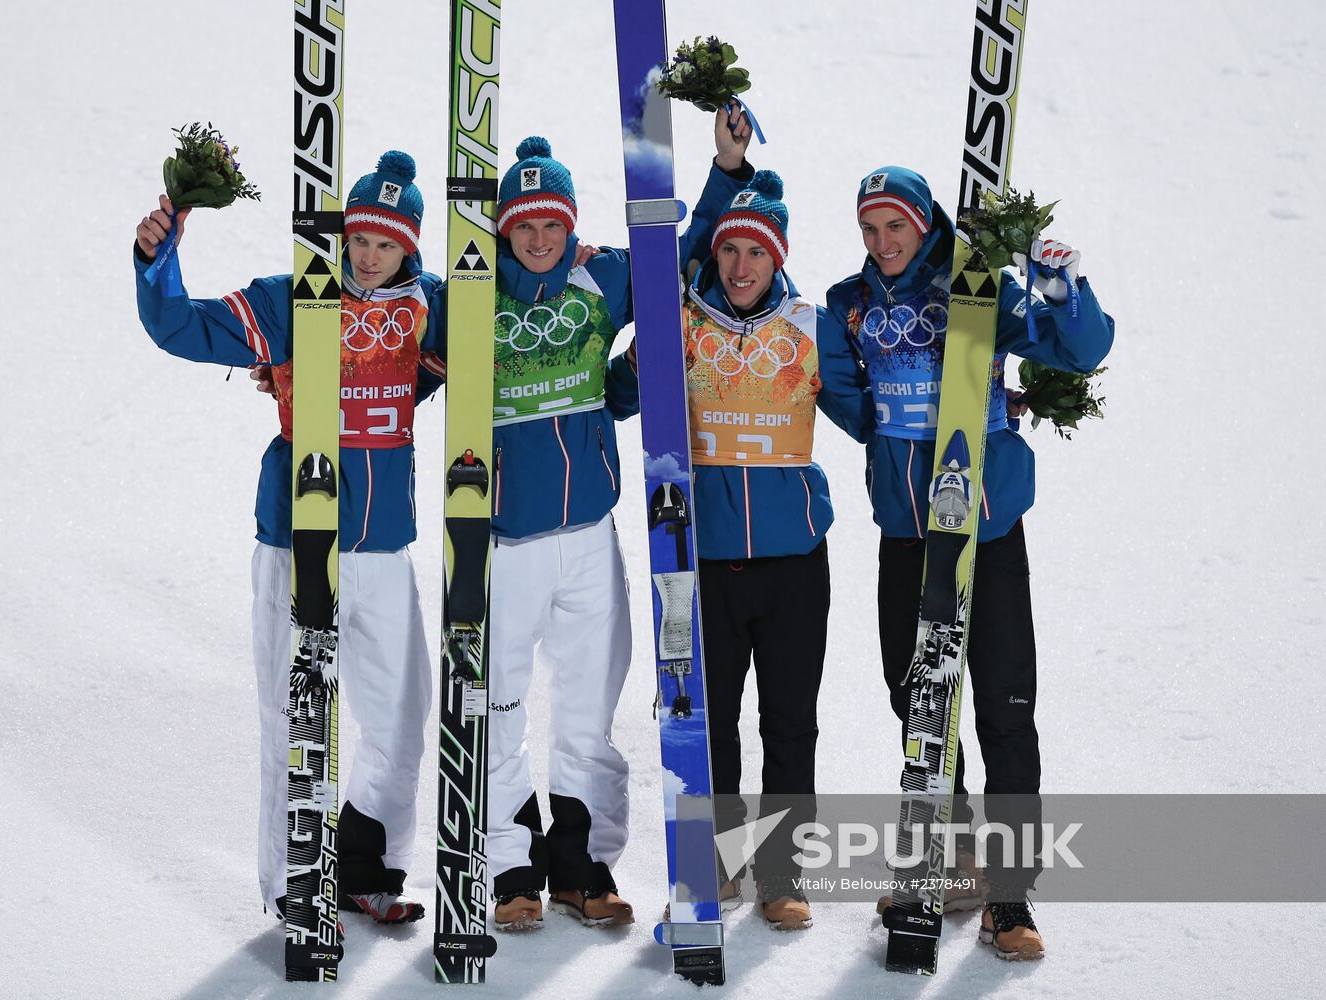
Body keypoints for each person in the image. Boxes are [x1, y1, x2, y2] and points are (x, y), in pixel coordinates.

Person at [426, 113, 752, 933]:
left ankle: (581, 866)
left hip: (587, 540)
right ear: (503, 231)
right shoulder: (467, 295)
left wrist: (725, 171)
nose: (539, 240)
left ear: (570, 226)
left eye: (552, 226)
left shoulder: (599, 277)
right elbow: (388, 333)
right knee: (497, 706)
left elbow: (681, 259)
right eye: (524, 227)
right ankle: (509, 867)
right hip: (501, 544)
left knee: (585, 713)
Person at [134, 151, 444, 926]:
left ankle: (367, 868)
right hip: (296, 540)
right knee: (294, 719)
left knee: (401, 721)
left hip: (384, 547)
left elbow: (501, 331)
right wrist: (157, 257)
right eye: (359, 239)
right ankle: (293, 881)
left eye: (386, 244)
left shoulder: (433, 307)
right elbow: (179, 326)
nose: (368, 256)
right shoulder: (294, 298)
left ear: (409, 248)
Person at [823, 166, 1115, 960]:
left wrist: (1057, 289)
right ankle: (950, 863)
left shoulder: (976, 288)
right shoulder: (847, 305)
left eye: (896, 226)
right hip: (908, 534)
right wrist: (904, 425)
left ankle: (1010, 897)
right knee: (916, 701)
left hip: (986, 535)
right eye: (869, 228)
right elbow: (844, 398)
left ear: (924, 225)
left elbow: (1079, 349)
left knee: (1003, 710)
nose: (882, 241)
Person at [616, 165, 870, 930]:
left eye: (756, 252)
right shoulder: (682, 323)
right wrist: (637, 362)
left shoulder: (809, 326)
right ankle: (714, 867)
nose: (739, 265)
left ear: (776, 257)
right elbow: (624, 395)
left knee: (789, 722)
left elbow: (866, 417)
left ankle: (782, 874)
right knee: (707, 720)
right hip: (703, 559)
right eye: (729, 249)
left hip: (794, 561)